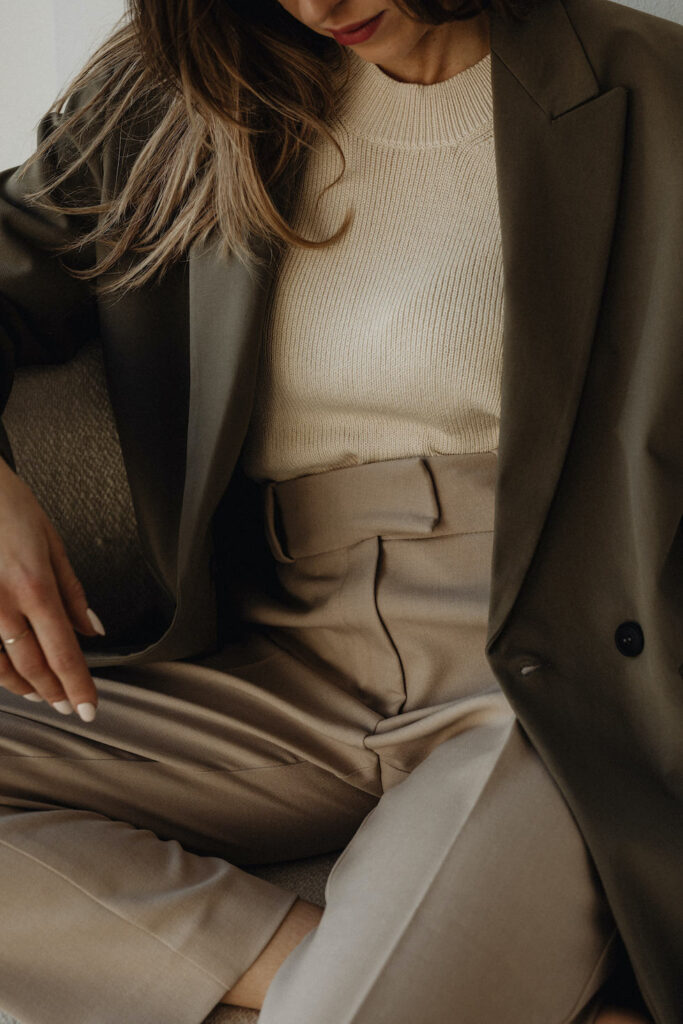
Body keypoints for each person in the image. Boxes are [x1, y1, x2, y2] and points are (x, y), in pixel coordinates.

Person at [0, 0, 680, 1020]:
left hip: (550, 677)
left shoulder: (648, 89)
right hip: (276, 663)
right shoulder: (183, 91)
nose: (314, 2)